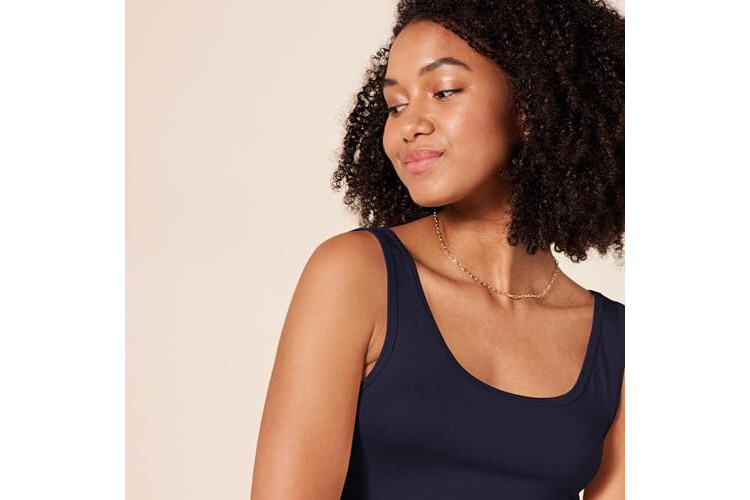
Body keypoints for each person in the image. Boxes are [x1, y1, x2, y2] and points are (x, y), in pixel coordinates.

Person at [252, 0, 624, 498]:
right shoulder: (357, 276)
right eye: (396, 105)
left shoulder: (619, 343)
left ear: (531, 107)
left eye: (444, 91)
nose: (408, 125)